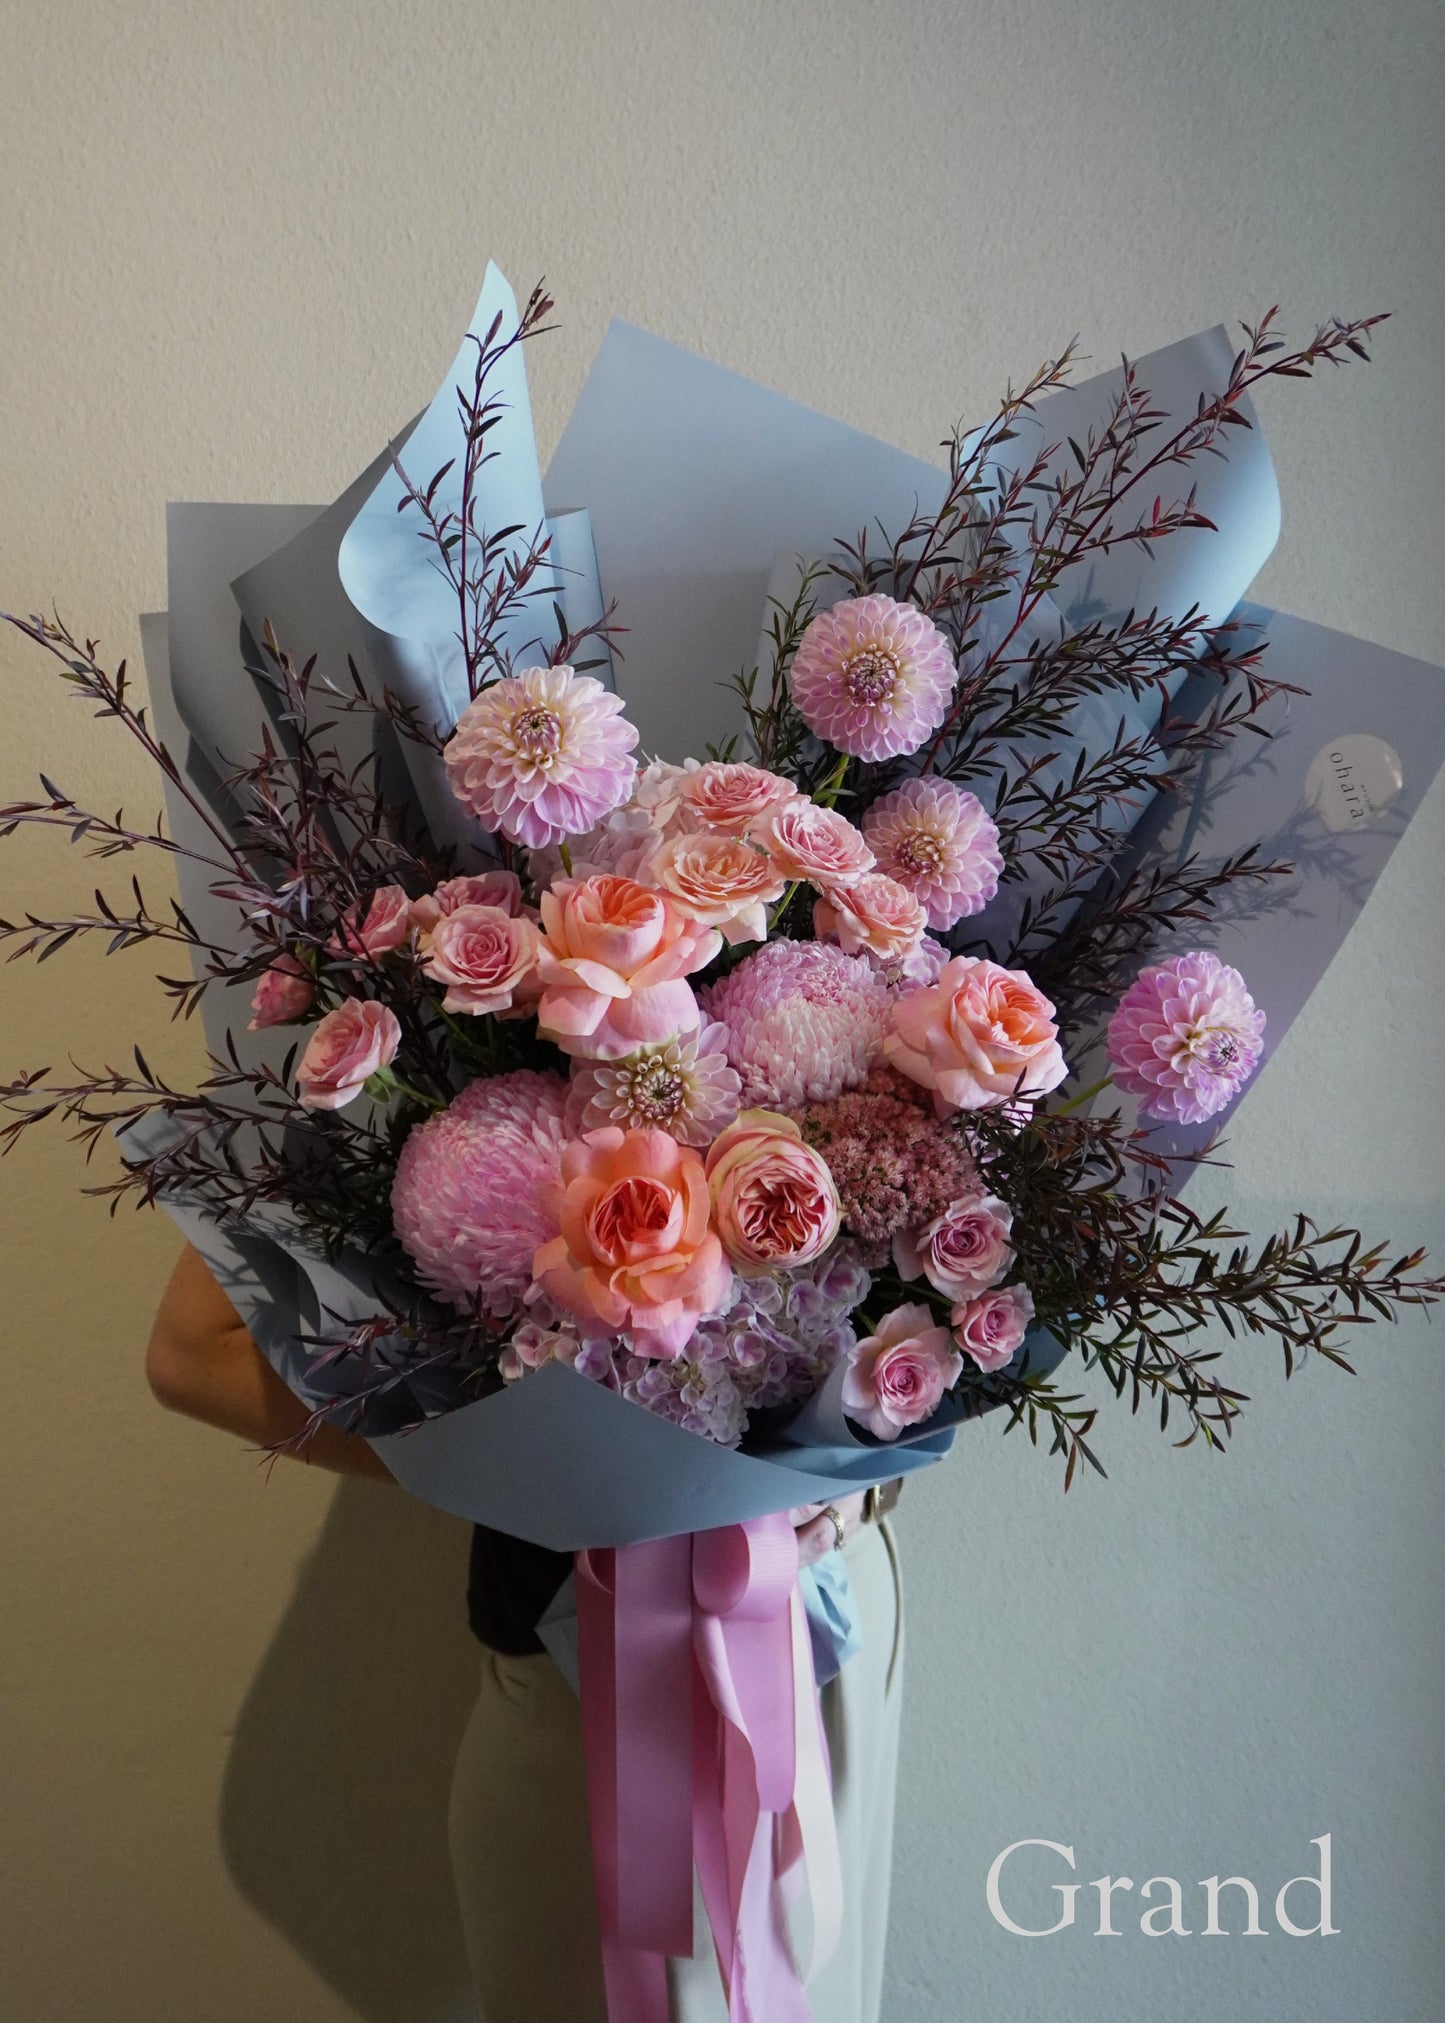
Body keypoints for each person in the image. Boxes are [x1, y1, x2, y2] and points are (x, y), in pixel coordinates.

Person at [147, 1240, 905, 2022]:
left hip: (832, 1604)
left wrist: (865, 1476)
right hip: (599, 1654)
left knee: (825, 1982)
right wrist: (532, 1479)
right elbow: (195, 1353)